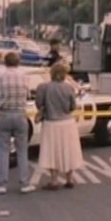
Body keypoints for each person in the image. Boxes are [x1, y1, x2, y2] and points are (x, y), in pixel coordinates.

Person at [0, 51, 35, 194]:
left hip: (4, 114)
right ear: (18, 62)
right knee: (22, 150)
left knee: (3, 150)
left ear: (5, 62)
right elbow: (28, 95)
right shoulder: (25, 78)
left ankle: (2, 184)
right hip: (20, 114)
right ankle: (24, 183)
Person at [35, 62, 84, 190]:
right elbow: (73, 107)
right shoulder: (69, 88)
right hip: (67, 123)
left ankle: (54, 180)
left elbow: (39, 103)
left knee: (52, 152)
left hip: (51, 123)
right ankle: (69, 178)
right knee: (69, 150)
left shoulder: (43, 87)